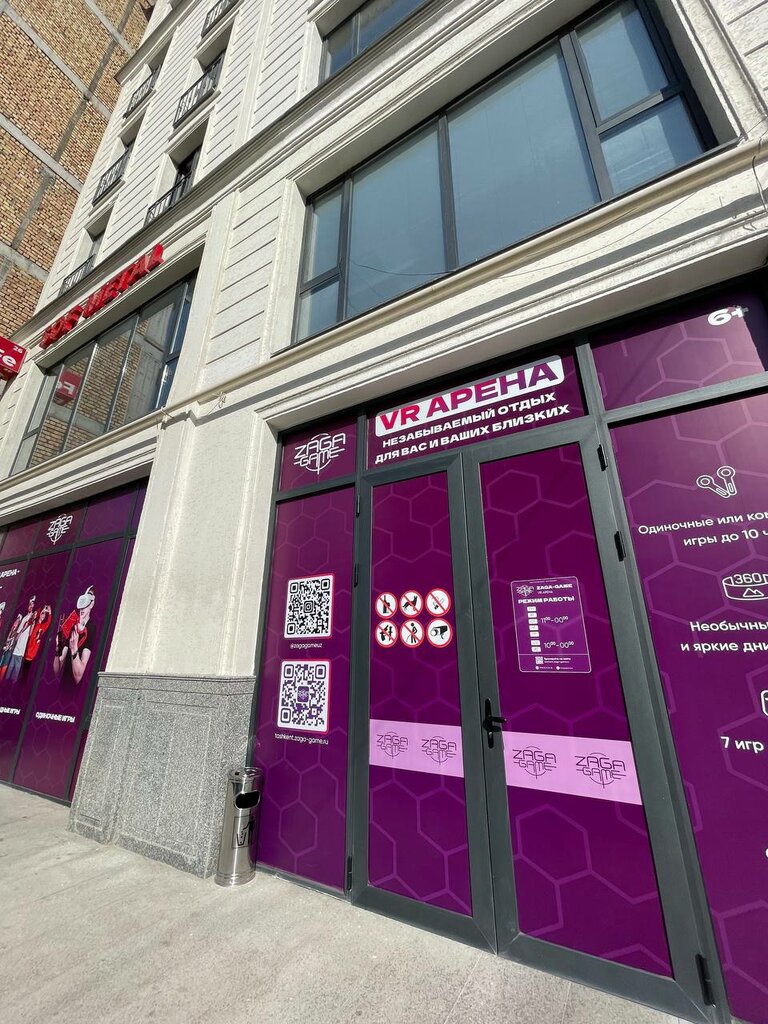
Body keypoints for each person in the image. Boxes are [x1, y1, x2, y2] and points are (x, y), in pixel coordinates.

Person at [54, 586, 96, 684]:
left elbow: (78, 678)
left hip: (76, 689)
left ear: (92, 604)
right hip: (63, 684)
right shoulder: (72, 624)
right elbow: (57, 671)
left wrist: (74, 649)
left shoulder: (92, 628)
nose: (83, 606)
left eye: (87, 600)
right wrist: (57, 649)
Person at [6, 597, 38, 684]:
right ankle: (5, 684)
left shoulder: (32, 617)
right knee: (9, 670)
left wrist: (33, 620)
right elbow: (17, 630)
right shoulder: (25, 616)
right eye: (30, 604)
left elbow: (30, 632)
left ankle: (12, 686)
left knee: (15, 672)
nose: (30, 606)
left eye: (32, 605)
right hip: (16, 646)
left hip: (21, 648)